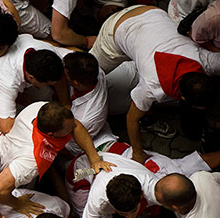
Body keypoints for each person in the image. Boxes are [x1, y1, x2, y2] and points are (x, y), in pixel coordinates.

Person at [89, 6, 220, 162]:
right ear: (183, 98)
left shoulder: (206, 60)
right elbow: (132, 119)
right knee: (88, 72)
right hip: (117, 28)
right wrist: (137, 152)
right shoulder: (152, 87)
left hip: (151, 12)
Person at [0, 101, 113, 217]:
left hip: (6, 145)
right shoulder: (31, 162)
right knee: (59, 207)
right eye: (69, 129)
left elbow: (76, 126)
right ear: (51, 135)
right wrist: (18, 204)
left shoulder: (41, 110)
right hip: (2, 174)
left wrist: (95, 159)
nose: (74, 126)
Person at [0, 35, 69, 133]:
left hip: (15, 80)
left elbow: (59, 78)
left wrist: (66, 104)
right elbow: (6, 127)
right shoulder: (6, 81)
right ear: (31, 78)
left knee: (47, 97)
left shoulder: (45, 52)